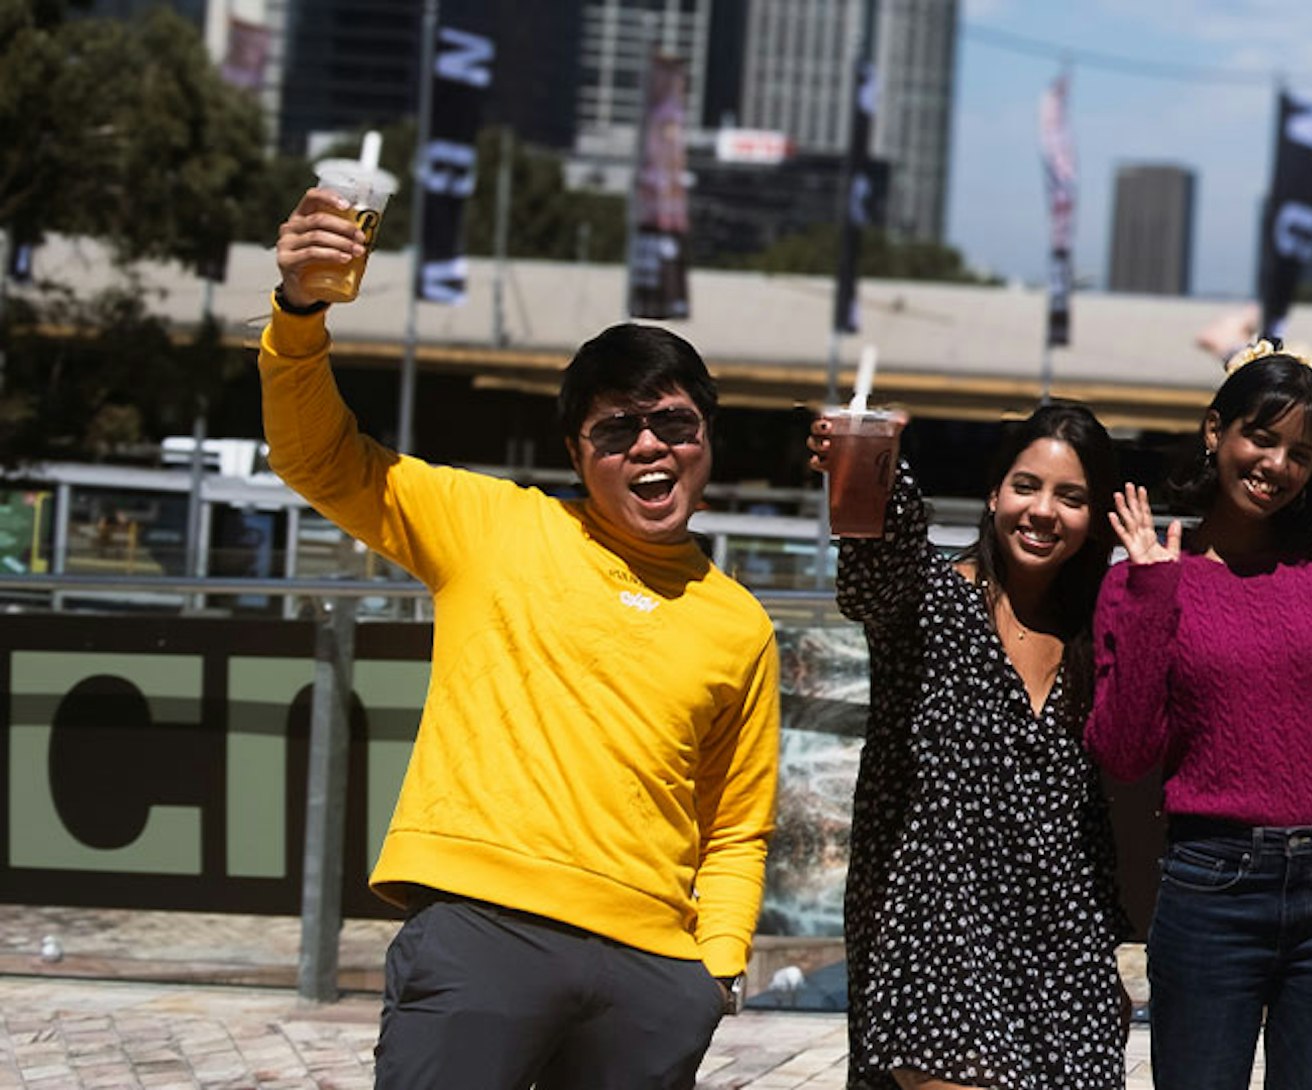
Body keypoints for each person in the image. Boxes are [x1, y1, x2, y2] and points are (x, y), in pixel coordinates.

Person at [266, 189, 778, 1088]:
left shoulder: (740, 620)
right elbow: (321, 459)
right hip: (483, 930)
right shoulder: (492, 524)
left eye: (674, 423)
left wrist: (716, 970)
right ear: (578, 454)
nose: (649, 446)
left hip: (654, 976)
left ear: (708, 439)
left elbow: (736, 826)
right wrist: (301, 312)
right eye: (617, 428)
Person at [1085, 348, 1312, 1090]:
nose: (1277, 465)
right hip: (1210, 886)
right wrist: (1151, 595)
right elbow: (1123, 753)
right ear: (1215, 431)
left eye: (1302, 454)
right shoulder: (1146, 574)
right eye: (1262, 437)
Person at [823, 403, 1133, 1090]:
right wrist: (874, 470)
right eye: (1026, 485)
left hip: (1060, 945)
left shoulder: (1096, 633)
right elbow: (872, 578)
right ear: (993, 493)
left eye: (1071, 496)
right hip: (936, 926)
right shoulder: (930, 599)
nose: (1043, 510)